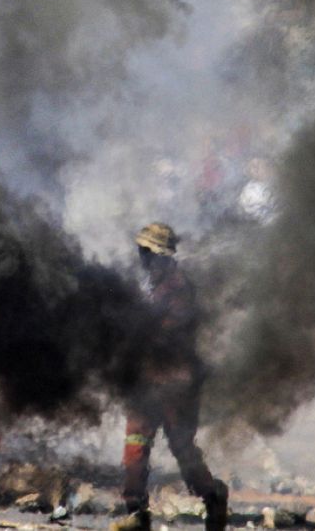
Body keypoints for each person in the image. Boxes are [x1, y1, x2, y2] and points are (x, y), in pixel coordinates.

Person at [111, 223, 227, 531]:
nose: (143, 259)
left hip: (176, 383)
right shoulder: (151, 286)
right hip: (147, 383)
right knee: (135, 446)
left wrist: (137, 330)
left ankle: (213, 497)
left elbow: (169, 333)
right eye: (142, 252)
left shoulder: (178, 289)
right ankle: (136, 512)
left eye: (148, 253)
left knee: (182, 449)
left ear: (162, 256)